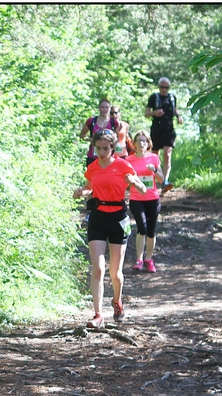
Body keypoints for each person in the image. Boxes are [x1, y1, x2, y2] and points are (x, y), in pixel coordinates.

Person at [73, 130, 147, 328]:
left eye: (105, 148)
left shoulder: (123, 165)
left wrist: (134, 182)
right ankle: (98, 314)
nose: (101, 152)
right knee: (98, 268)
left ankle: (117, 301)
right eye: (98, 148)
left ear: (113, 148)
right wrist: (81, 192)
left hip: (118, 218)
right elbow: (89, 187)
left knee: (115, 272)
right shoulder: (93, 167)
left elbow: (143, 189)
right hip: (98, 217)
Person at [127, 130, 165, 273]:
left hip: (152, 199)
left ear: (148, 143)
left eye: (144, 141)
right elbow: (124, 180)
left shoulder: (153, 158)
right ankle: (139, 259)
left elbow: (161, 179)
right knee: (142, 228)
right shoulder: (129, 160)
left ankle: (149, 259)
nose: (142, 143)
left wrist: (154, 170)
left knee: (151, 231)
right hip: (136, 198)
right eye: (139, 141)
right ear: (134, 144)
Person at [145, 77, 184, 190]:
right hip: (156, 129)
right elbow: (146, 114)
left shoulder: (172, 97)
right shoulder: (154, 97)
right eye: (162, 87)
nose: (164, 89)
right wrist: (155, 113)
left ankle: (165, 180)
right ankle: (157, 178)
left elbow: (175, 110)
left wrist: (179, 116)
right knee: (154, 155)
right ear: (159, 87)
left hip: (169, 129)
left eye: (166, 87)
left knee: (167, 154)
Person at [79, 98, 120, 167]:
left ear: (110, 108)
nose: (104, 109)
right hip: (93, 156)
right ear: (99, 108)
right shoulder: (91, 121)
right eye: (102, 107)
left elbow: (117, 139)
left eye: (106, 107)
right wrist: (92, 140)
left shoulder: (114, 122)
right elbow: (82, 135)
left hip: (108, 157)